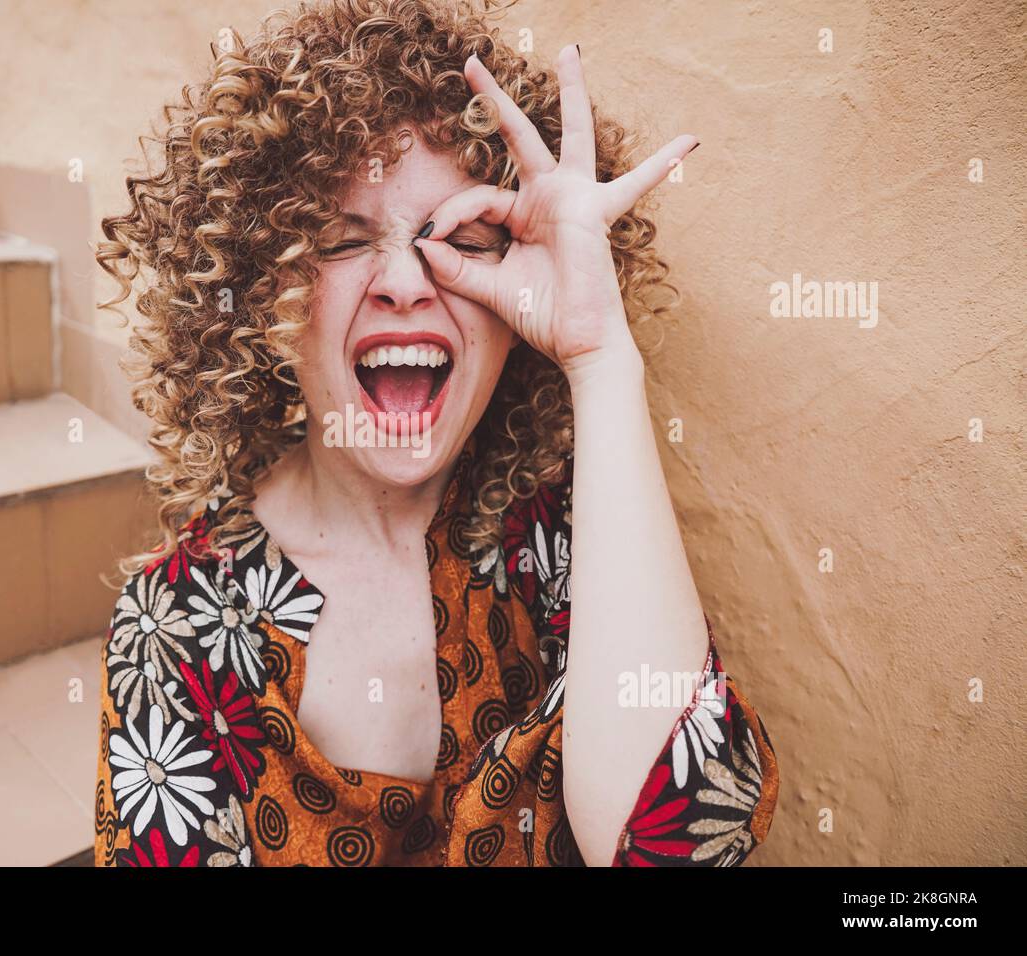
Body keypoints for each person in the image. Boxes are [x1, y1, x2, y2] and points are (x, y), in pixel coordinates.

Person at [93, 0, 779, 867]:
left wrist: (601, 360)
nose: (406, 282)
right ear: (268, 299)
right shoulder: (176, 626)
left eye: (460, 235)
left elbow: (687, 845)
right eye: (342, 241)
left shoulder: (555, 533)